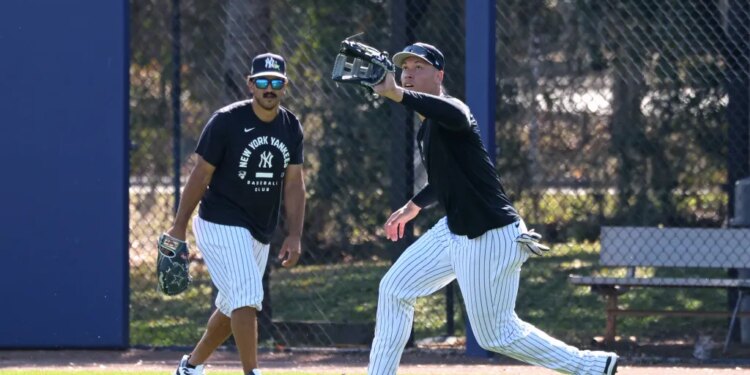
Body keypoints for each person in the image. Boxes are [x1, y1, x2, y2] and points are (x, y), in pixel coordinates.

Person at [366, 42, 619, 375]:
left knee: (497, 335)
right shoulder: (427, 128)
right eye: (405, 68)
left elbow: (452, 113)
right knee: (394, 289)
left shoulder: (455, 111)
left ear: (439, 75)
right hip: (453, 230)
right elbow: (445, 181)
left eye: (419, 67)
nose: (409, 73)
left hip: (490, 235)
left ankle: (593, 366)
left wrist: (397, 92)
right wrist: (414, 205)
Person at [168, 52, 306, 375]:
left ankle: (190, 367)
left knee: (233, 307)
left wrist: (296, 234)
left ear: (284, 86)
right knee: (246, 294)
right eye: (262, 82)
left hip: (260, 229)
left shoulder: (291, 126)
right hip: (219, 221)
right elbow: (200, 175)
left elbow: (295, 184)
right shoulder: (226, 121)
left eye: (275, 82)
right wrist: (178, 227)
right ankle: (251, 372)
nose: (268, 88)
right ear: (251, 85)